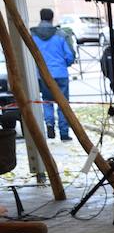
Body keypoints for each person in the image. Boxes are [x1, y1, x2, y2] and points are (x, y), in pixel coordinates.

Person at [30, 8, 75, 141]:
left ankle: (49, 124)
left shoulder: (33, 35)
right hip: (60, 73)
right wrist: (64, 64)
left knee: (47, 100)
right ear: (52, 18)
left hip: (43, 74)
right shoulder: (60, 35)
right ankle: (64, 133)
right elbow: (69, 55)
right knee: (63, 103)